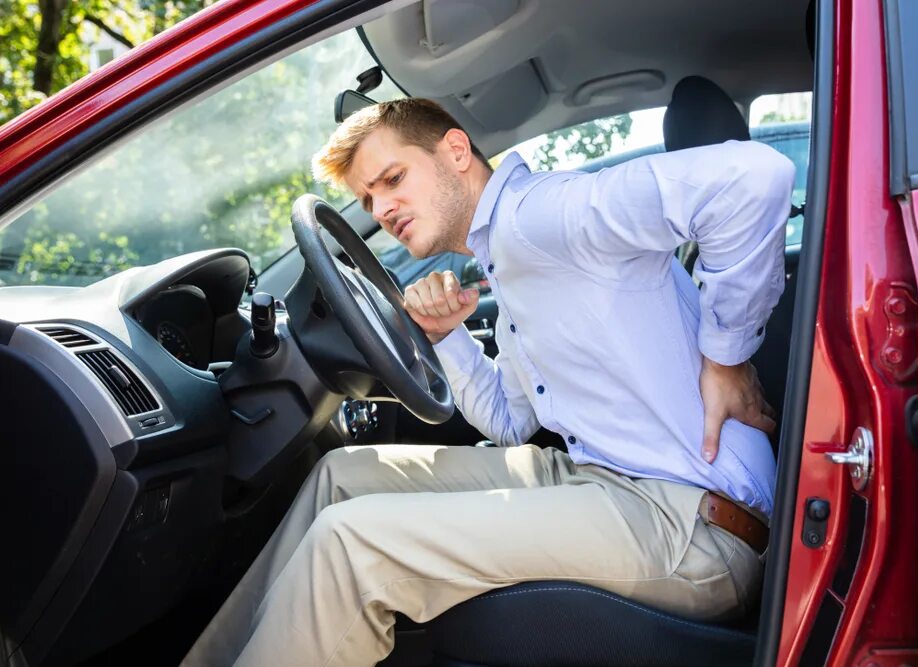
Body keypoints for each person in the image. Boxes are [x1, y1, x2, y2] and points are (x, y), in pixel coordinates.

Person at [182, 97, 795, 666]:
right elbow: (511, 424)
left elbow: (753, 179)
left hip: (695, 524)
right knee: (340, 478)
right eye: (367, 200)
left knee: (352, 545)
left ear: (455, 151)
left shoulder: (544, 215)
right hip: (607, 475)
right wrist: (448, 336)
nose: (380, 211)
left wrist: (727, 356)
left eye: (392, 180)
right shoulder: (507, 258)